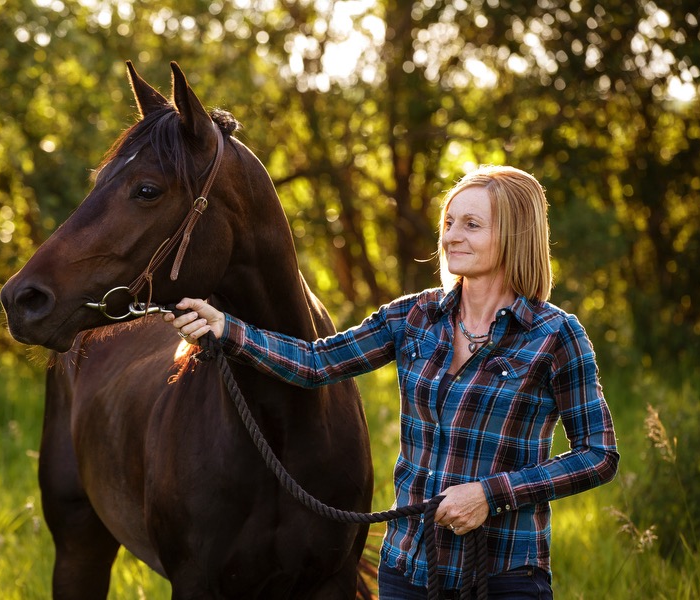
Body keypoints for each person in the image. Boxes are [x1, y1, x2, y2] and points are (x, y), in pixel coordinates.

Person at [164, 165, 619, 599]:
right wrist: (227, 329)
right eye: (449, 221)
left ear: (515, 236)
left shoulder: (556, 336)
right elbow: (315, 362)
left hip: (504, 574)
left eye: (472, 224)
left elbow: (598, 455)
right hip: (408, 570)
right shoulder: (414, 315)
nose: (452, 235)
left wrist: (491, 495)